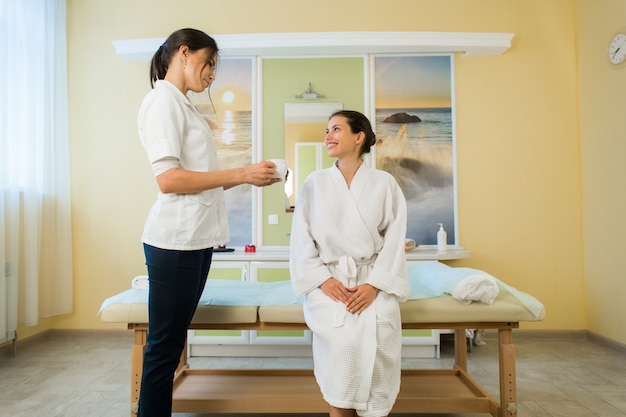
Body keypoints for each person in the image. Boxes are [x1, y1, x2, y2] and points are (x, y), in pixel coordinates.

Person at [136, 28, 280, 417]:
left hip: (195, 240)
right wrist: (241, 174)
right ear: (183, 53)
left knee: (171, 343)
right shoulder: (162, 102)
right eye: (209, 62)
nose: (213, 74)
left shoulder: (182, 105)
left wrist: (244, 174)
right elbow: (169, 180)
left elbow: (195, 176)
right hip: (175, 242)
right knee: (164, 349)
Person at [289, 110, 410, 417]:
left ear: (359, 137)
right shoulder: (314, 184)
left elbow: (395, 240)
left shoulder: (385, 184)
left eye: (336, 129)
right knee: (344, 344)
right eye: (327, 130)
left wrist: (374, 285)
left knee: (380, 334)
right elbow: (301, 240)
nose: (327, 136)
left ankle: (375, 409)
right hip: (329, 281)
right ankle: (340, 408)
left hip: (374, 280)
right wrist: (321, 280)